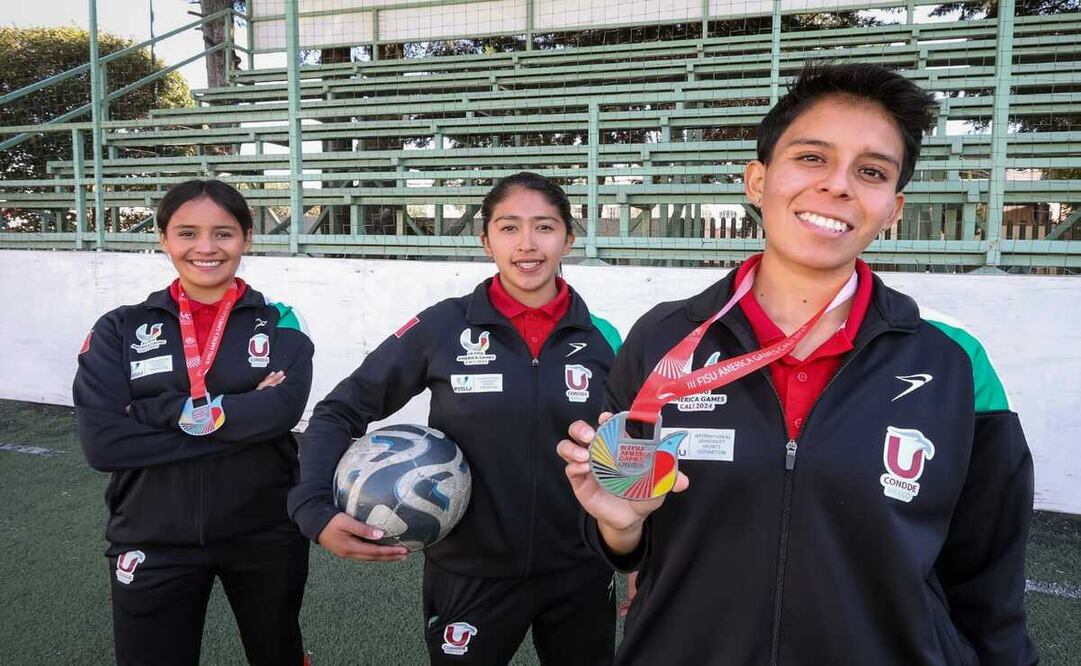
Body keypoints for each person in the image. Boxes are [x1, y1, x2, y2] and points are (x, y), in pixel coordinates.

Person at [557, 62, 1037, 665]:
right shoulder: (663, 339)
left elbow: (989, 575)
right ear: (757, 181)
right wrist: (621, 526)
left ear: (892, 209)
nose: (838, 185)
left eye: (871, 171)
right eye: (812, 157)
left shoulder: (953, 363)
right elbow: (622, 528)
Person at [289, 172, 621, 665]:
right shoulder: (443, 327)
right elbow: (340, 409)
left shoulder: (604, 337)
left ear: (569, 238)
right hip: (469, 572)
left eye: (544, 227)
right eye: (508, 228)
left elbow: (624, 445)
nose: (527, 245)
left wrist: (638, 551)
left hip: (582, 567)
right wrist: (314, 508)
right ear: (485, 239)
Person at [73, 179, 314, 666]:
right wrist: (242, 420)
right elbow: (104, 445)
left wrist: (148, 411)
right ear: (163, 239)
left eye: (223, 233)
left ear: (247, 238)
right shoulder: (118, 328)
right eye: (187, 233)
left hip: (264, 531)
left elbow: (281, 413)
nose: (205, 248)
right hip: (151, 535)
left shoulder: (281, 321)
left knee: (278, 655)